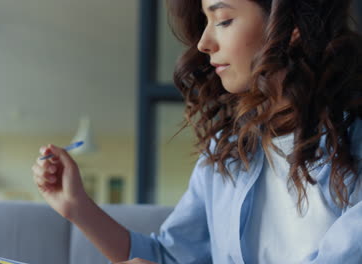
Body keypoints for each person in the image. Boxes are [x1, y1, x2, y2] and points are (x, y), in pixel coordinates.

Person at [31, 0, 362, 263]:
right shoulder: (227, 150)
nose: (204, 43)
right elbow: (170, 257)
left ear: (292, 27)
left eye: (223, 19)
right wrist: (79, 208)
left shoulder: (355, 140)